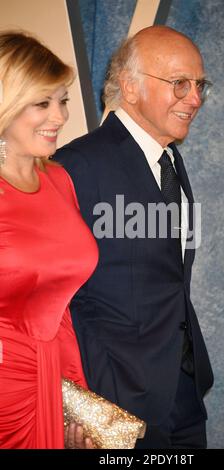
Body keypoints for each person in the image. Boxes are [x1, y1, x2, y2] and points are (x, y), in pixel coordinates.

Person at [55, 25, 214, 449]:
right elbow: (52, 300)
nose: (195, 99)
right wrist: (77, 402)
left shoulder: (170, 162)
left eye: (199, 85)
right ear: (129, 87)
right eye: (180, 84)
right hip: (115, 407)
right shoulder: (76, 166)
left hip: (183, 395)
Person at [0, 31, 98, 449]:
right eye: (42, 103)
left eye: (63, 101)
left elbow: (59, 306)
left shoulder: (58, 180)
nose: (58, 117)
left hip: (52, 376)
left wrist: (76, 394)